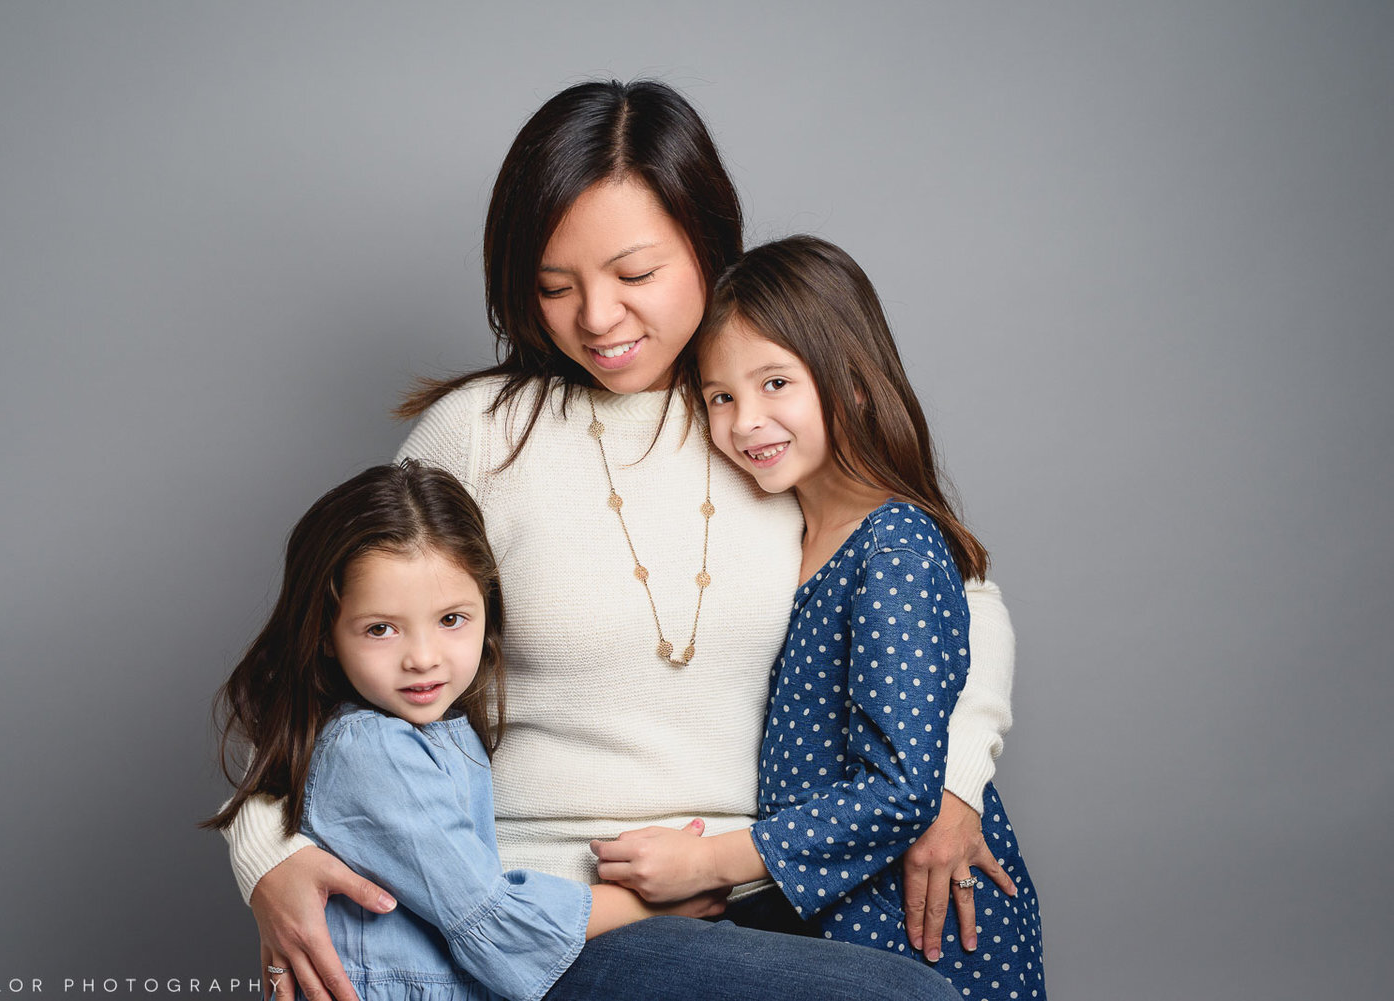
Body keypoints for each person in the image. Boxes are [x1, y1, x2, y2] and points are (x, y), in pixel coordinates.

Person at [221, 79, 1016, 1001]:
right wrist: (268, 862)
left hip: (775, 897)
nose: (596, 319)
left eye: (635, 276)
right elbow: (309, 663)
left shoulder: (756, 418)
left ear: (709, 249)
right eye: (554, 286)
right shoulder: (480, 432)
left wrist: (953, 781)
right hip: (552, 918)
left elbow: (958, 594)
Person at [591, 235, 1044, 999]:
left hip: (914, 924)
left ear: (854, 383)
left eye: (775, 383)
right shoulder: (783, 531)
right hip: (820, 919)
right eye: (720, 397)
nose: (745, 422)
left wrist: (708, 862)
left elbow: (902, 786)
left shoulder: (893, 541)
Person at [205, 462, 730, 1001]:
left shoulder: (438, 733)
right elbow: (494, 922)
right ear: (324, 636)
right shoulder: (370, 749)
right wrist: (658, 901)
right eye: (380, 629)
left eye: (452, 619)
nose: (423, 659)